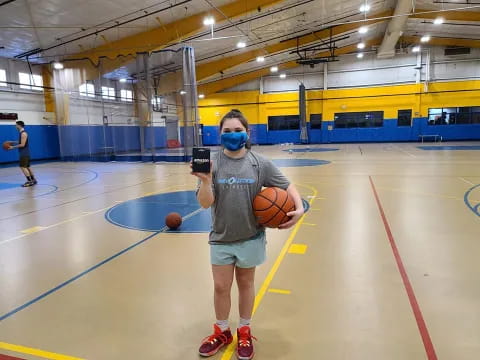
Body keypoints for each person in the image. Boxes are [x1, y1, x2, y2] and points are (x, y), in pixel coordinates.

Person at [192, 109, 304, 360]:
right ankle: (222, 331)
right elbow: (204, 203)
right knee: (221, 287)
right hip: (221, 237)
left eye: (238, 130)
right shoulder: (213, 163)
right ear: (220, 135)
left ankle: (244, 329)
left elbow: (288, 185)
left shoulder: (258, 162)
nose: (233, 135)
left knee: (246, 284)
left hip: (250, 237)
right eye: (227, 131)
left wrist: (299, 208)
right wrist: (206, 180)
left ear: (247, 133)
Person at [7, 121, 37, 187]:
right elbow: (21, 141)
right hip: (26, 153)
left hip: (24, 153)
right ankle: (33, 180)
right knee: (27, 167)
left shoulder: (23, 133)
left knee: (23, 167)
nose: (15, 126)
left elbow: (22, 144)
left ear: (19, 125)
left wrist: (12, 147)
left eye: (16, 125)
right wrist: (12, 142)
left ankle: (29, 181)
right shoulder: (22, 133)